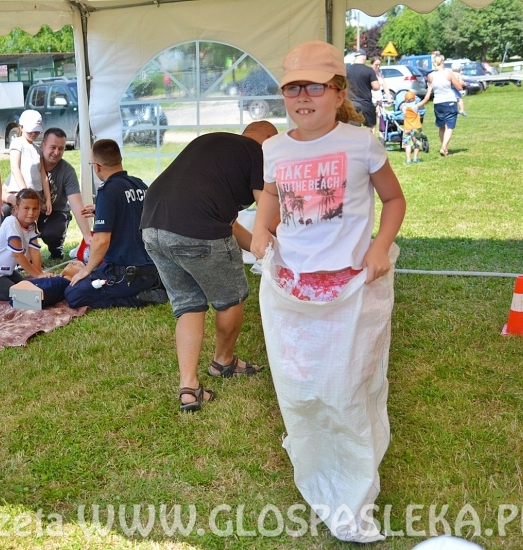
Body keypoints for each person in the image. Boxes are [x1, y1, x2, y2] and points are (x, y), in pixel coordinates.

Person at [250, 40, 406, 543]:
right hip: (294, 291)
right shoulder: (273, 148)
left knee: (348, 389)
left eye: (313, 87)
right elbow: (272, 198)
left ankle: (353, 488)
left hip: (352, 288)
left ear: (338, 93)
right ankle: (315, 451)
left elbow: (394, 199)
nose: (302, 97)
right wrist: (260, 231)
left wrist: (381, 246)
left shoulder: (362, 143)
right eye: (293, 87)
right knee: (301, 387)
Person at [140, 120, 277, 413]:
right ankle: (223, 362)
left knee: (189, 304)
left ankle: (189, 388)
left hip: (152, 226)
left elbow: (229, 223)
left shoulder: (214, 146)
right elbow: (267, 207)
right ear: (266, 139)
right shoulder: (258, 151)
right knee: (232, 298)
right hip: (196, 228)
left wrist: (264, 251)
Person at [64, 139, 165, 309]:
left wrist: (87, 269)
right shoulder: (139, 184)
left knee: (73, 294)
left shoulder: (108, 191)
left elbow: (101, 241)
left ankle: (138, 298)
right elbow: (135, 215)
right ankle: (152, 289)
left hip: (126, 274)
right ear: (119, 159)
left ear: (97, 166)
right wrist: (102, 211)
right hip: (153, 270)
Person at [0, 189, 63, 301]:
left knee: (27, 287)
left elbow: (34, 251)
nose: (31, 213)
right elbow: (18, 255)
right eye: (26, 208)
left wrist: (39, 274)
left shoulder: (32, 224)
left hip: (3, 270)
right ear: (16, 208)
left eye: (35, 208)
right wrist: (37, 275)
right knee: (15, 295)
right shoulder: (11, 223)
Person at [35, 127, 92, 260]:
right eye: (53, 147)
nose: (56, 152)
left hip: (56, 212)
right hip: (33, 211)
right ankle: (21, 250)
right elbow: (7, 189)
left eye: (61, 148)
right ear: (42, 145)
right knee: (6, 210)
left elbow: (77, 204)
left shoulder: (67, 171)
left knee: (53, 231)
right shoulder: (31, 164)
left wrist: (87, 235)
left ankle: (56, 249)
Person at [4, 110, 52, 215]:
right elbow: (14, 167)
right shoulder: (17, 143)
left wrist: (48, 199)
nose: (34, 134)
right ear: (21, 127)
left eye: (36, 131)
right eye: (30, 131)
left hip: (36, 192)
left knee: (33, 221)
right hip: (20, 192)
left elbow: (43, 175)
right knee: (19, 221)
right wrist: (24, 192)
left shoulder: (38, 150)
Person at [422, 53, 464, 157]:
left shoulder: (430, 76)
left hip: (438, 103)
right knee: (449, 126)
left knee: (441, 127)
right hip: (449, 101)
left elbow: (430, 89)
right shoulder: (448, 73)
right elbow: (459, 87)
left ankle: (445, 148)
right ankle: (444, 147)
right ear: (441, 62)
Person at [346, 48, 381, 129]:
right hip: (366, 104)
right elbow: (376, 87)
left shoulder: (347, 70)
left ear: (355, 58)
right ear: (364, 58)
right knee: (370, 128)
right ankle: (369, 141)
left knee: (353, 129)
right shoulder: (369, 70)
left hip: (351, 104)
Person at [370, 56, 392, 135]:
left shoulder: (380, 73)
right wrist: (375, 98)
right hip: (371, 99)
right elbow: (367, 88)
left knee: (381, 117)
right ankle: (372, 136)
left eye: (379, 65)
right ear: (372, 64)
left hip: (380, 99)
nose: (378, 67)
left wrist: (389, 96)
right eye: (376, 65)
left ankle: (381, 135)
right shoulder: (369, 73)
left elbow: (385, 86)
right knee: (372, 121)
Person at [400, 90, 423, 164]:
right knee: (416, 143)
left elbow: (400, 106)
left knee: (408, 145)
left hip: (407, 129)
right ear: (414, 99)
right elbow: (425, 100)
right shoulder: (415, 107)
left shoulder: (404, 108)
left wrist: (404, 103)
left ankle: (408, 160)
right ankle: (415, 158)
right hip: (416, 128)